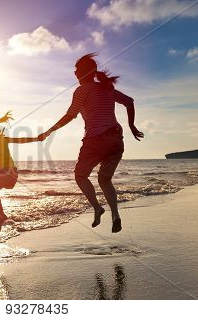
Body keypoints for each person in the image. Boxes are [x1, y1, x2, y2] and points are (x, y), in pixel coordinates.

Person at [38, 53, 144, 233]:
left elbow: (70, 115)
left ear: (86, 72)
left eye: (78, 71)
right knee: (105, 179)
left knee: (80, 176)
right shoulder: (106, 88)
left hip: (96, 139)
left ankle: (97, 207)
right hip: (117, 139)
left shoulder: (82, 90)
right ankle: (115, 215)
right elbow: (129, 102)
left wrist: (49, 130)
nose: (75, 74)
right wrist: (132, 126)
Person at [0, 112, 42, 232]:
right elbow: (20, 140)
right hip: (13, 174)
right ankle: (2, 216)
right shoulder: (2, 139)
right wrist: (36, 139)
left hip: (3, 172)